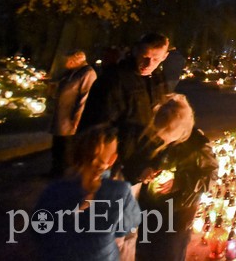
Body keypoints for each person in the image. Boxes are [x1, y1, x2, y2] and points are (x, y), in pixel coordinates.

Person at [123, 94, 218, 261]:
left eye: (166, 133)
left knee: (168, 254)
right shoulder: (154, 137)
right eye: (159, 132)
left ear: (182, 131)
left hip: (177, 217)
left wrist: (180, 182)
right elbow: (134, 161)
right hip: (148, 209)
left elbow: (210, 176)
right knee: (144, 251)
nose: (161, 137)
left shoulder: (198, 146)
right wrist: (142, 172)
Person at [35, 126, 141, 261]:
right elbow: (126, 227)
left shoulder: (53, 190)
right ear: (112, 159)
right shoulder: (120, 191)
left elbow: (38, 229)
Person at [78, 33, 170, 167]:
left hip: (145, 158)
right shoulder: (114, 79)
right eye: (145, 57)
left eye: (156, 59)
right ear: (135, 51)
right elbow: (98, 122)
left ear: (164, 57)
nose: (148, 64)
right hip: (117, 160)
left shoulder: (159, 80)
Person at [49, 49, 97, 177]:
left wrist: (77, 118)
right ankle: (56, 170)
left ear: (77, 59)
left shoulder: (87, 73)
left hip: (70, 119)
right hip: (62, 115)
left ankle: (63, 173)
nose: (66, 63)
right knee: (58, 144)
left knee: (66, 147)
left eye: (69, 60)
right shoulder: (71, 72)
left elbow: (85, 98)